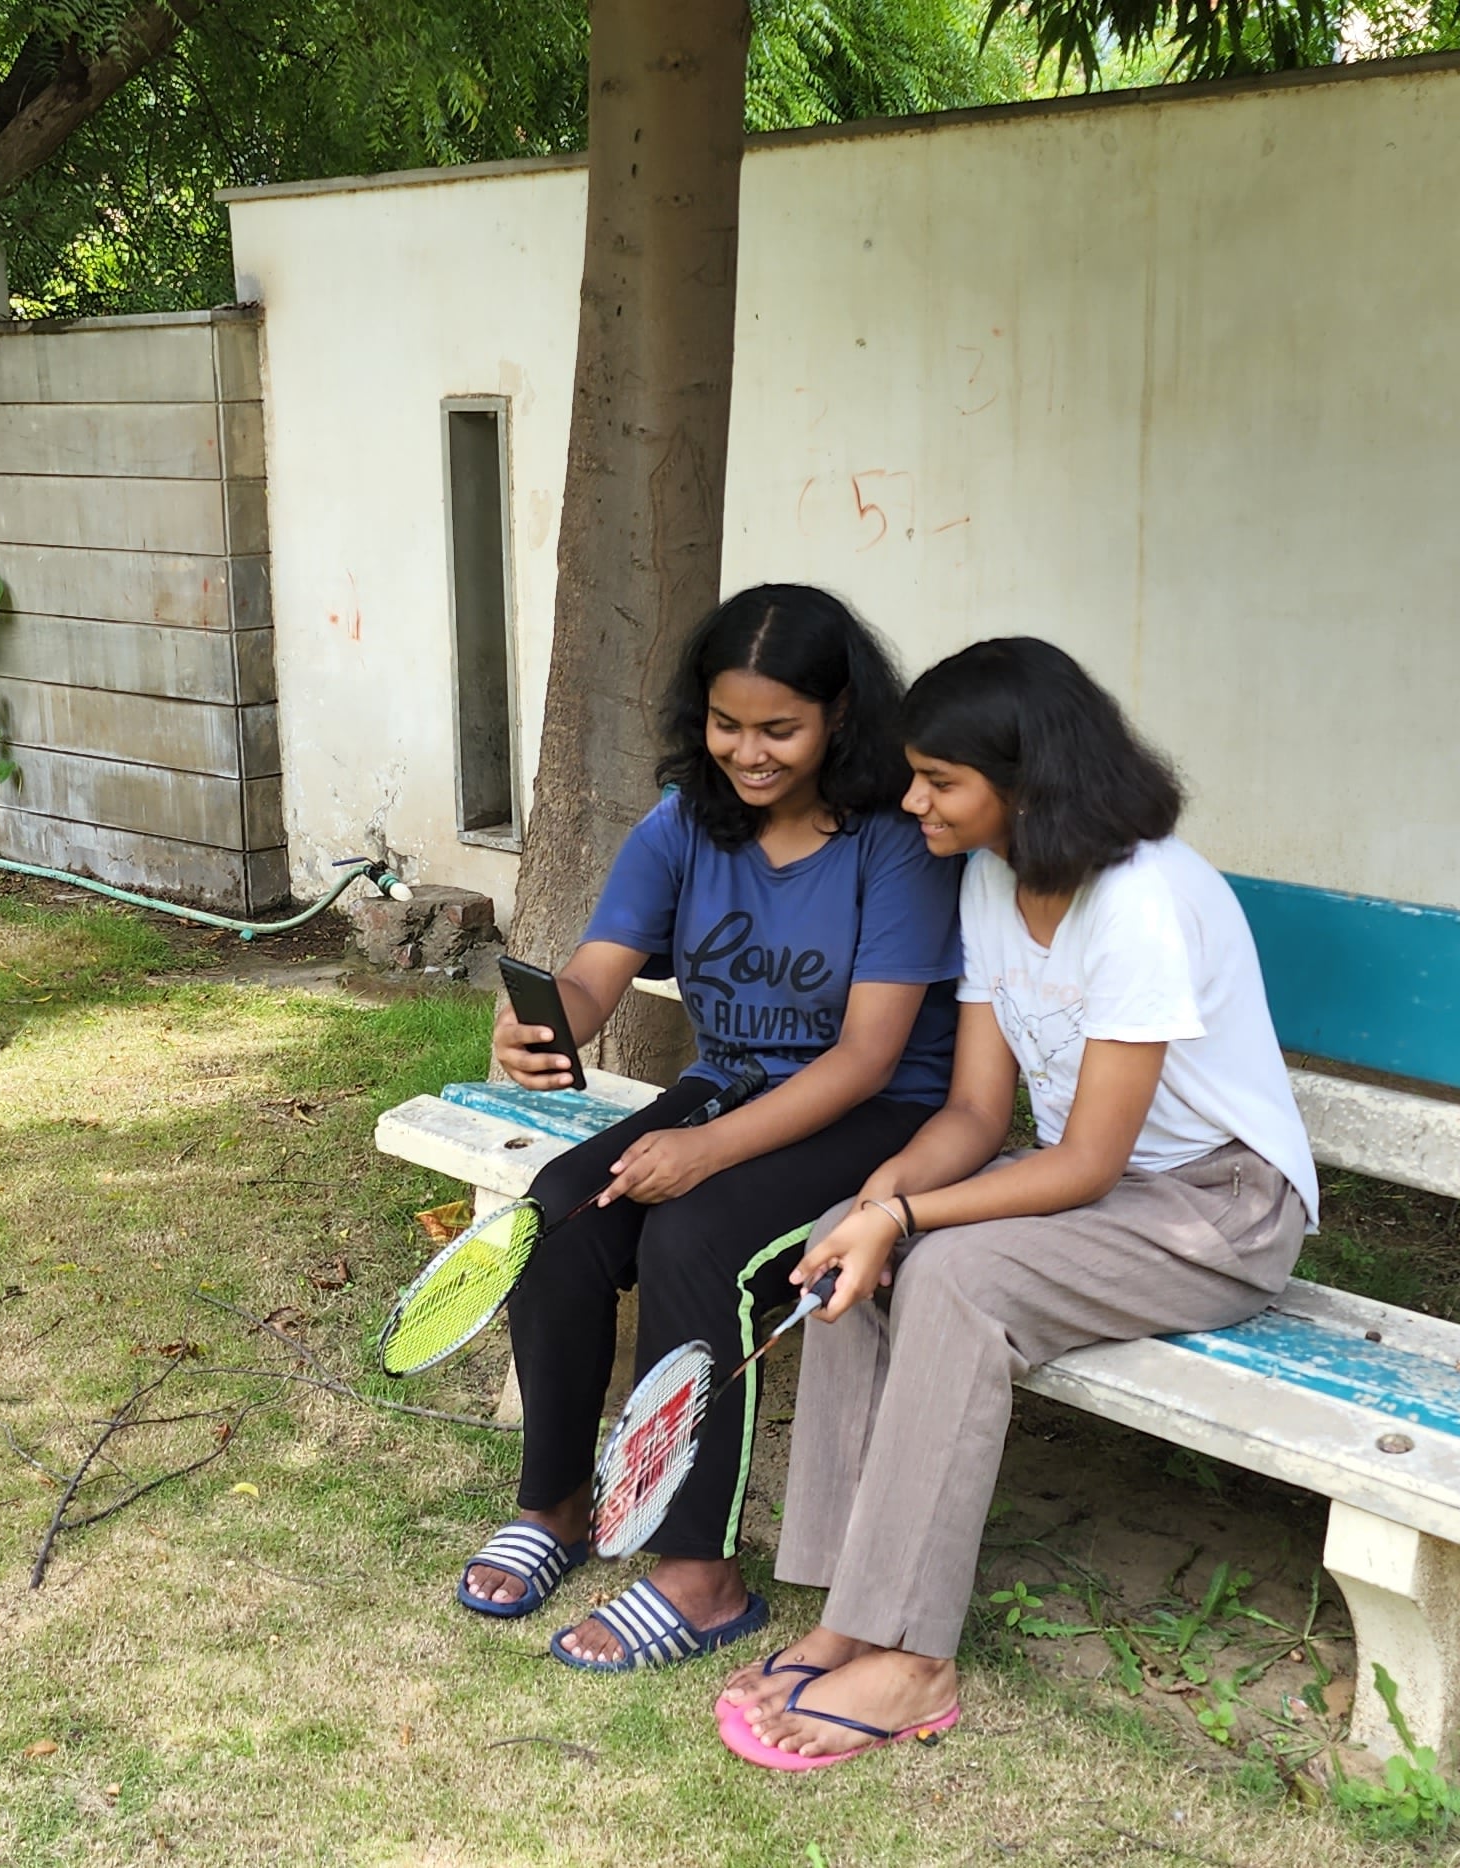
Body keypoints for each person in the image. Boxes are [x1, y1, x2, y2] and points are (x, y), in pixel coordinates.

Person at [715, 636, 1319, 1769]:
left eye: (940, 781)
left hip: (1222, 1208)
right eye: (915, 774)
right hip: (1111, 1197)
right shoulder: (994, 878)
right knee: (851, 1240)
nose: (912, 800)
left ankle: (916, 1656)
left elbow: (1087, 1158)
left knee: (951, 1271)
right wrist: (882, 1196)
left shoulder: (1138, 901)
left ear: (1027, 782)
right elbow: (977, 1114)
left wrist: (911, 1221)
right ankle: (853, 1610)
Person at [456, 584, 961, 1674]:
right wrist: (545, 1021)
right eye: (727, 725)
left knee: (698, 1241)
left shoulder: (895, 842)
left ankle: (699, 1573)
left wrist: (705, 1150)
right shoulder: (686, 819)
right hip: (730, 1085)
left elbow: (872, 1054)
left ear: (839, 715)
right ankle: (556, 1506)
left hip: (873, 1115)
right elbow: (601, 963)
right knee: (561, 1212)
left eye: (779, 728)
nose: (749, 751)